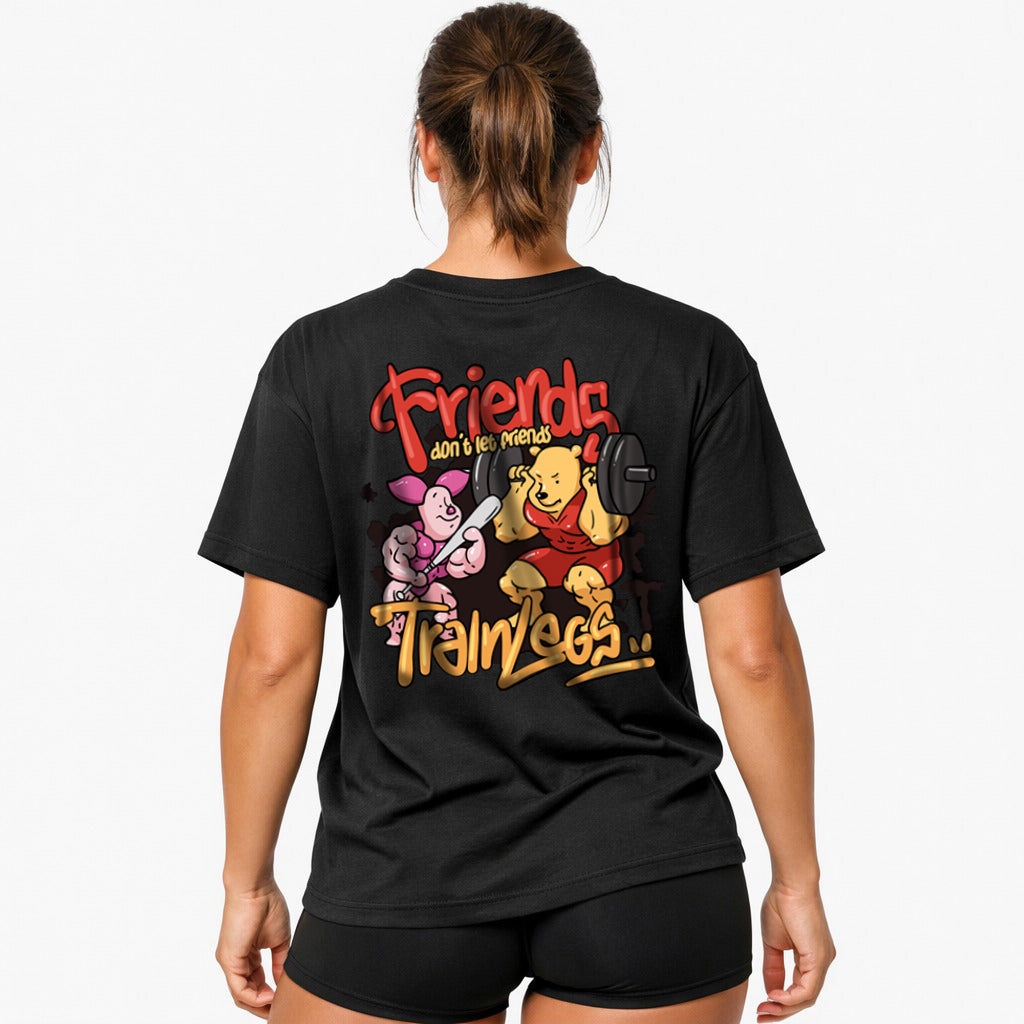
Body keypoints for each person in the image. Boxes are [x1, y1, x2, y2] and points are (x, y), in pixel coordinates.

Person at [199, 4, 836, 1023]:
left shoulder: (318, 361)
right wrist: (796, 876)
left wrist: (246, 879)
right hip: (648, 867)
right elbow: (751, 652)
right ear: (588, 152)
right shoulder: (693, 354)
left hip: (398, 873)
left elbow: (272, 658)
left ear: (426, 149)